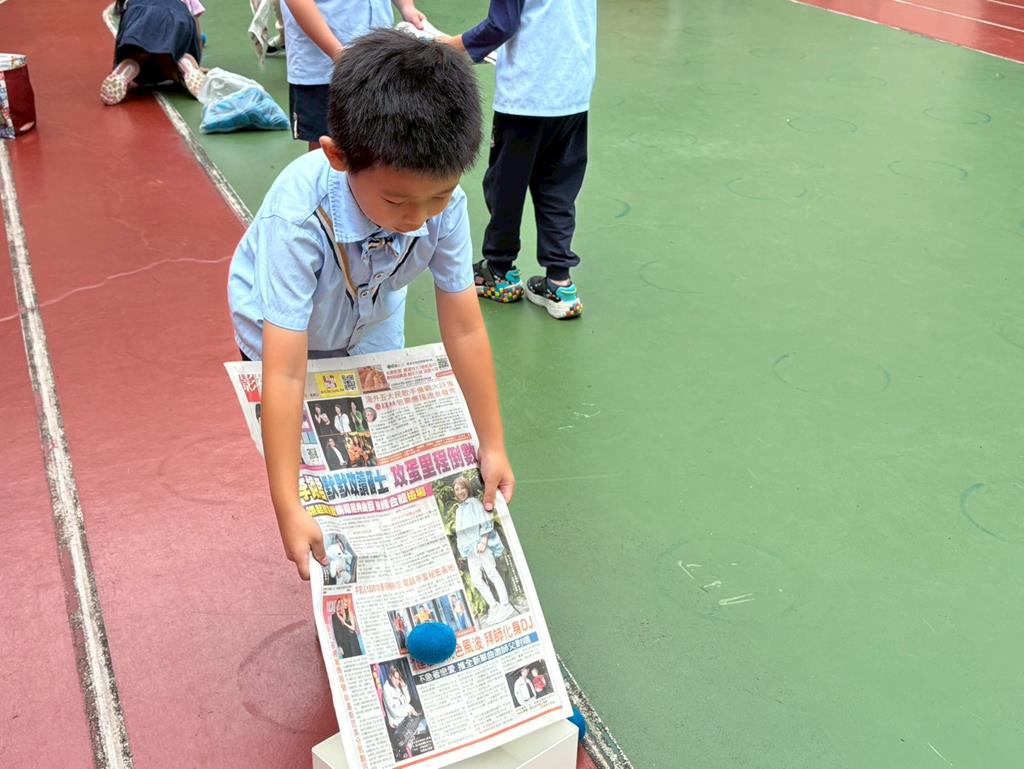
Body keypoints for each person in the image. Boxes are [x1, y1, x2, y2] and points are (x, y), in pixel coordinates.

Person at [228, 31, 514, 580]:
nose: (418, 218)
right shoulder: (298, 220)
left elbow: (464, 328)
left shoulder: (444, 204)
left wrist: (493, 443)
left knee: (370, 452)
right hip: (282, 333)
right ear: (337, 157)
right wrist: (287, 505)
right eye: (397, 200)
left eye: (437, 196)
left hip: (371, 320)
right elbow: (285, 371)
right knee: (308, 463)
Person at [439, 0, 596, 319]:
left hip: (526, 97)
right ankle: (560, 283)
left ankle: (499, 271)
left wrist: (448, 47)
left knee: (506, 187)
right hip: (573, 94)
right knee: (559, 189)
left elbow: (501, 24)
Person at [281, 0, 426, 149]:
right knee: (328, 143)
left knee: (380, 137)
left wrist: (407, 7)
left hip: (377, 59)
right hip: (324, 67)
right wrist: (337, 53)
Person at [102, 0, 208, 106]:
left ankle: (131, 65)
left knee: (140, 59)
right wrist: (196, 60)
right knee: (169, 61)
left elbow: (124, 27)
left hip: (140, 14)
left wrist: (118, 61)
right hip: (177, 16)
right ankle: (180, 66)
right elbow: (196, 30)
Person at [453, 477, 512, 622]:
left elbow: (485, 520)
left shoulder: (474, 503)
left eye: (462, 488)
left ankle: (505, 605)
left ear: (467, 488)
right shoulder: (459, 510)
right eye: (457, 489)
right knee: (476, 579)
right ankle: (494, 606)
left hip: (481, 545)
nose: (460, 492)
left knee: (492, 573)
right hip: (470, 551)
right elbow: (460, 533)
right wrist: (464, 551)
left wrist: (484, 541)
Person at [382, 666, 420, 756]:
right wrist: (409, 710)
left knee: (418, 718)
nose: (397, 681)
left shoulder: (397, 686)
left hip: (405, 719)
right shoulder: (386, 688)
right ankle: (403, 746)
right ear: (390, 676)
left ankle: (407, 744)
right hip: (397, 723)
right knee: (415, 720)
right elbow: (395, 712)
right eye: (395, 678)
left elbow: (407, 701)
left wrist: (404, 687)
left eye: (398, 679)